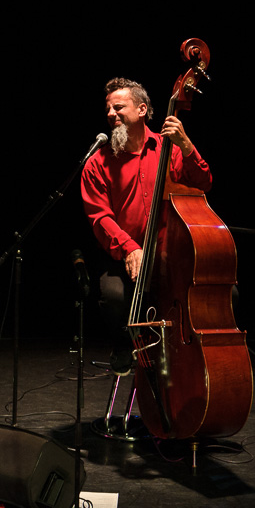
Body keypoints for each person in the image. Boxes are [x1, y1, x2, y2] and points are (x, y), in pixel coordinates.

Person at [81, 77, 213, 373]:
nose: (111, 114)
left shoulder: (170, 150)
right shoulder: (97, 163)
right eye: (109, 110)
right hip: (125, 255)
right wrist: (131, 248)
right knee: (113, 296)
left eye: (118, 107)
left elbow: (203, 183)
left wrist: (187, 146)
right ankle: (123, 345)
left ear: (142, 110)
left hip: (170, 255)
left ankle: (198, 357)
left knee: (225, 295)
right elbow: (99, 217)